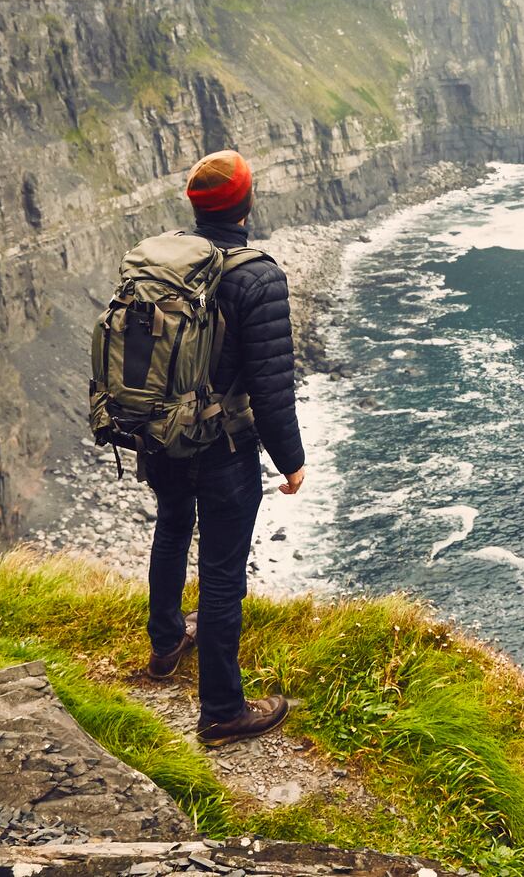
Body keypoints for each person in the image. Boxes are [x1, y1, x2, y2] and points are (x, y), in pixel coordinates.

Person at [142, 148, 305, 745]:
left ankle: (165, 649)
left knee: (171, 526)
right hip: (221, 444)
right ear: (246, 202)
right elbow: (270, 383)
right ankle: (221, 711)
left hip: (160, 435)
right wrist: (291, 460)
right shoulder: (256, 276)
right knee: (220, 570)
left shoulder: (165, 260)